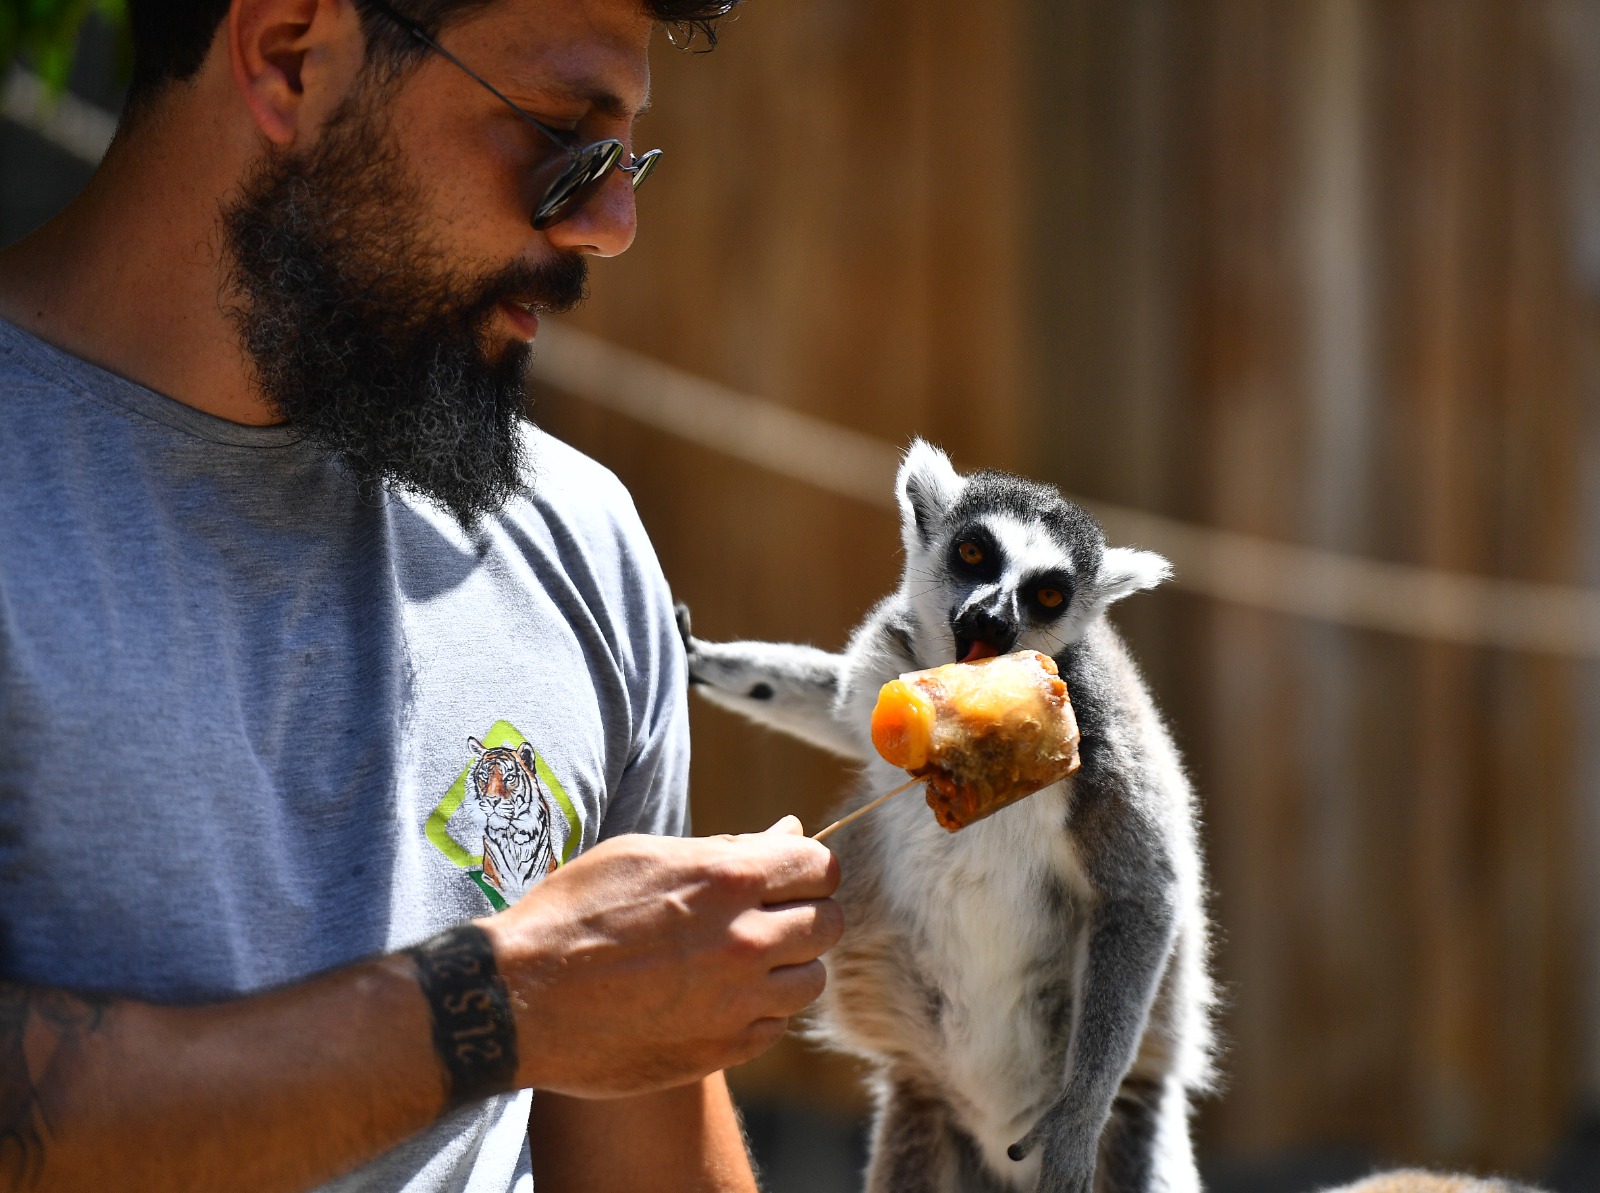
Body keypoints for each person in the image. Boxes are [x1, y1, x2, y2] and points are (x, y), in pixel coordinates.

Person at [0, 0, 844, 1189]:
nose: (610, 226)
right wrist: (502, 1002)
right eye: (563, 143)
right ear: (291, 58)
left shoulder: (575, 539)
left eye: (626, 160)